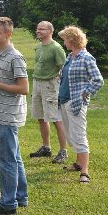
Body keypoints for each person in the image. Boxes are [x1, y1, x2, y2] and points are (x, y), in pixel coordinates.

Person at [0, 17, 29, 215]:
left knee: (7, 160)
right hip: (2, 113)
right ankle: (21, 197)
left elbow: (24, 88)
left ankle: (8, 204)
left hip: (9, 116)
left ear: (8, 34)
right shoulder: (0, 54)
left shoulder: (15, 57)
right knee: (14, 157)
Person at [57, 25, 104, 184]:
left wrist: (85, 93)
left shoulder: (86, 58)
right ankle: (78, 164)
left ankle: (85, 172)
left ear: (71, 40)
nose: (64, 42)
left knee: (79, 135)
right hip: (64, 100)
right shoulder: (70, 56)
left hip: (76, 102)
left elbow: (98, 80)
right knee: (71, 134)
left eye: (65, 39)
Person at [29, 21, 69, 164]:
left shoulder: (56, 48)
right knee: (41, 117)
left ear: (50, 31)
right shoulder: (39, 47)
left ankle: (63, 151)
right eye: (37, 28)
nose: (38, 31)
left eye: (42, 29)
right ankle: (46, 148)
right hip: (37, 83)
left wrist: (60, 87)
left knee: (56, 119)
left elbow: (64, 69)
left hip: (50, 86)